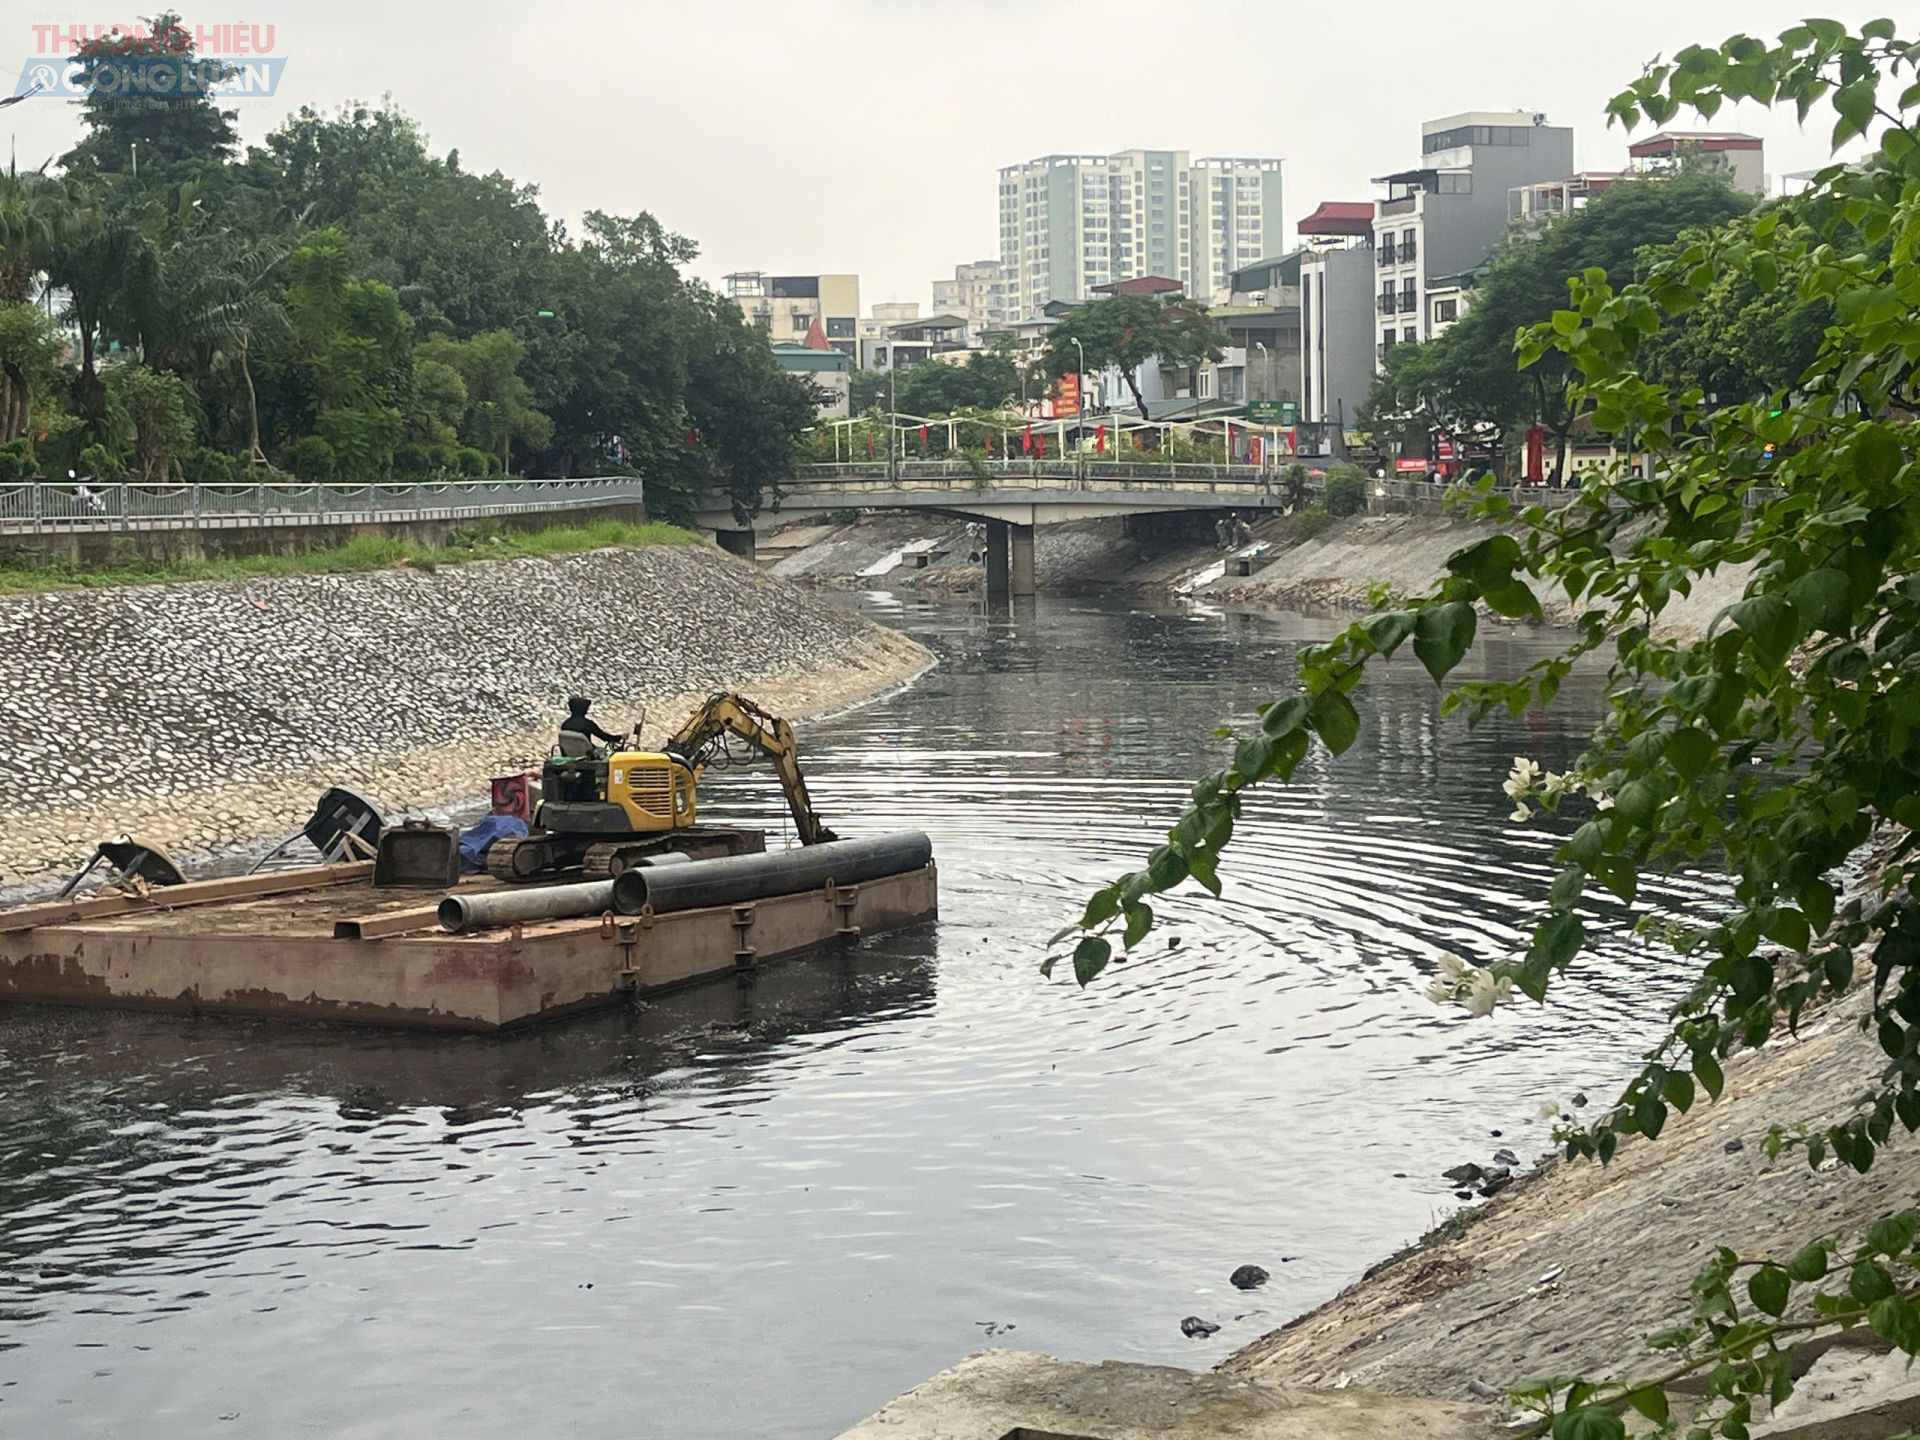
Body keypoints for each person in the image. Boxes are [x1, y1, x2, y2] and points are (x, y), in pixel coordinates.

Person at [558, 697, 629, 755]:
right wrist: (620, 737)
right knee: (603, 751)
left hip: (569, 755)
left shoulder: (565, 724)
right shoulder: (588, 724)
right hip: (587, 755)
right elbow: (605, 737)